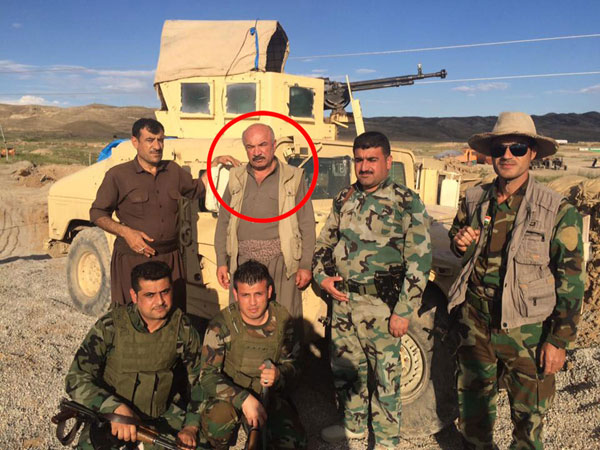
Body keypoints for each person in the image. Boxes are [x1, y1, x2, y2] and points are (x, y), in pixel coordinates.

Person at [447, 111, 585, 449]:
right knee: (473, 414)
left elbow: (571, 281)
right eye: (500, 149)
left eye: (517, 148)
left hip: (528, 330)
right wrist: (459, 241)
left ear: (532, 153)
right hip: (476, 322)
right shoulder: (474, 199)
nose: (507, 155)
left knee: (528, 421)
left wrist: (558, 341)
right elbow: (457, 238)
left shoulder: (556, 210)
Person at [312, 131, 432, 448]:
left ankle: (386, 440)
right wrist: (322, 277)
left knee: (386, 378)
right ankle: (353, 428)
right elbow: (324, 243)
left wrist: (404, 311)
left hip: (383, 306)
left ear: (388, 162)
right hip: (343, 302)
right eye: (359, 160)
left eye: (372, 160)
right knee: (346, 370)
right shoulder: (345, 198)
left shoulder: (406, 202)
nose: (364, 167)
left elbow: (419, 261)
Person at [90, 117, 238, 308]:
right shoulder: (118, 175)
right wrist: (126, 232)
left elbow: (196, 189)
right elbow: (97, 213)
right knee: (133, 313)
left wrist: (214, 165)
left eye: (160, 140)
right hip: (134, 259)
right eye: (150, 140)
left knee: (173, 312)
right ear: (135, 142)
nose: (157, 146)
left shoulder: (173, 171)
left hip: (170, 258)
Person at [65, 261, 204, 449]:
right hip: (111, 418)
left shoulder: (183, 329)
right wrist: (113, 407)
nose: (160, 301)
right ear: (134, 296)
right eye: (150, 295)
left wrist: (191, 427)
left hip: (160, 417)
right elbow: (76, 378)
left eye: (165, 292)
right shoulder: (111, 326)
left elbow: (200, 381)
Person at [199, 260, 307, 449]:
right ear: (235, 294)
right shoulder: (222, 324)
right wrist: (243, 400)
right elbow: (207, 376)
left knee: (294, 442)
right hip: (231, 394)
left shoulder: (283, 321)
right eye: (245, 295)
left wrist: (279, 374)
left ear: (269, 291)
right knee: (215, 423)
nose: (253, 303)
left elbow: (296, 366)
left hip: (268, 396)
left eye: (258, 294)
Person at [214, 123, 316, 322]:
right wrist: (221, 261)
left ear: (274, 145)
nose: (257, 152)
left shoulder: (293, 178)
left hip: (282, 264)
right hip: (242, 262)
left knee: (284, 321)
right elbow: (224, 222)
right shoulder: (236, 178)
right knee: (243, 322)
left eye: (262, 145)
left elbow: (306, 224)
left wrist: (305, 265)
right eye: (250, 147)